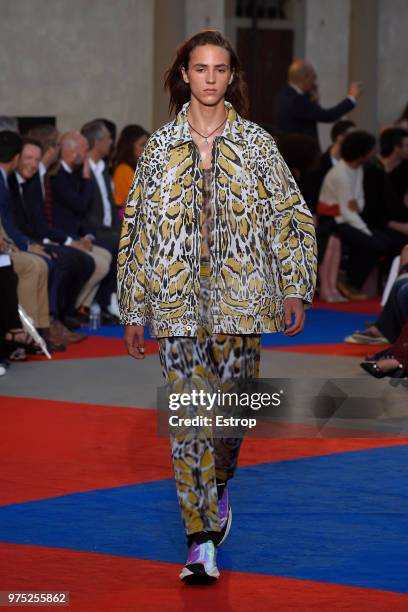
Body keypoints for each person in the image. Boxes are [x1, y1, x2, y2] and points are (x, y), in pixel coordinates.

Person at [118, 30, 317, 584]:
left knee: (229, 420)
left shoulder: (256, 144)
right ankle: (199, 542)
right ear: (184, 73)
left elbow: (291, 215)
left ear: (232, 77)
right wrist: (134, 308)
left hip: (243, 302)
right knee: (190, 425)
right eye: (200, 68)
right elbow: (136, 230)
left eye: (219, 69)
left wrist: (294, 285)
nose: (209, 78)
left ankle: (220, 482)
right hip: (176, 306)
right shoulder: (158, 148)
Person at [318, 130, 393, 299]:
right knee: (374, 241)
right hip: (333, 220)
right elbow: (346, 210)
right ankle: (348, 282)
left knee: (382, 241)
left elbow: (359, 202)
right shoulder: (340, 174)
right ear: (362, 152)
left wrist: (356, 208)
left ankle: (349, 281)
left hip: (347, 218)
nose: (374, 153)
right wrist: (366, 230)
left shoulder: (357, 170)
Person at [51, 131, 116, 323]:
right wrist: (87, 176)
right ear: (71, 151)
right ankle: (69, 309)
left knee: (104, 256)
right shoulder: (59, 176)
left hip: (76, 234)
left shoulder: (71, 172)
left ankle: (82, 305)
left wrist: (84, 237)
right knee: (99, 259)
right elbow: (81, 205)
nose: (86, 153)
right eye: (83, 149)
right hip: (63, 236)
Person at [275, 59, 361, 144]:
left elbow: (306, 116)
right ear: (305, 78)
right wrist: (351, 98)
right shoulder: (297, 100)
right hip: (300, 151)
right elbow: (328, 116)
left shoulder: (285, 94)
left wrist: (312, 101)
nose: (314, 81)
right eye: (314, 77)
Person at [112, 124, 149, 219]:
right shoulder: (123, 170)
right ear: (129, 146)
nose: (146, 148)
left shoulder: (140, 167)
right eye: (142, 144)